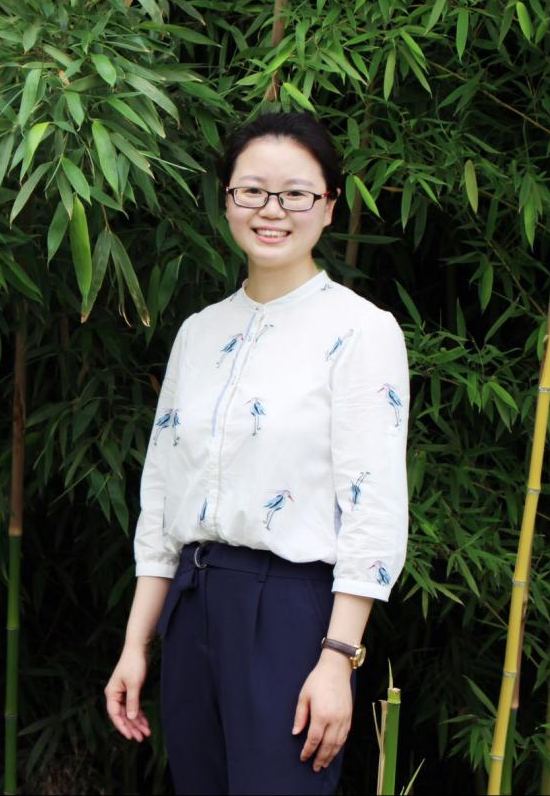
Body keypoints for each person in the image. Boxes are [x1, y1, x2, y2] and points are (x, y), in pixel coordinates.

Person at [104, 111, 410, 795]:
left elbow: (374, 507)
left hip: (291, 613)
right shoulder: (198, 331)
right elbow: (162, 499)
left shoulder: (361, 330)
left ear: (329, 206)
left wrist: (338, 657)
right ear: (227, 200)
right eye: (252, 191)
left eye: (296, 193)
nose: (271, 210)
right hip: (192, 603)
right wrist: (135, 643)